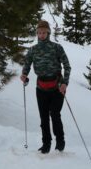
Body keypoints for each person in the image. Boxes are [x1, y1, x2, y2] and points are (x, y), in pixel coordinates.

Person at [20, 20, 71, 154]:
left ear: (48, 32)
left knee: (55, 114)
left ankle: (60, 142)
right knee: (43, 117)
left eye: (44, 32)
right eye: (39, 32)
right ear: (36, 33)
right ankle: (46, 144)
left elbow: (67, 66)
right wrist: (24, 75)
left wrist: (65, 83)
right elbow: (27, 65)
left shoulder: (56, 47)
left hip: (57, 86)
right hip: (41, 87)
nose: (42, 35)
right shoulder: (33, 50)